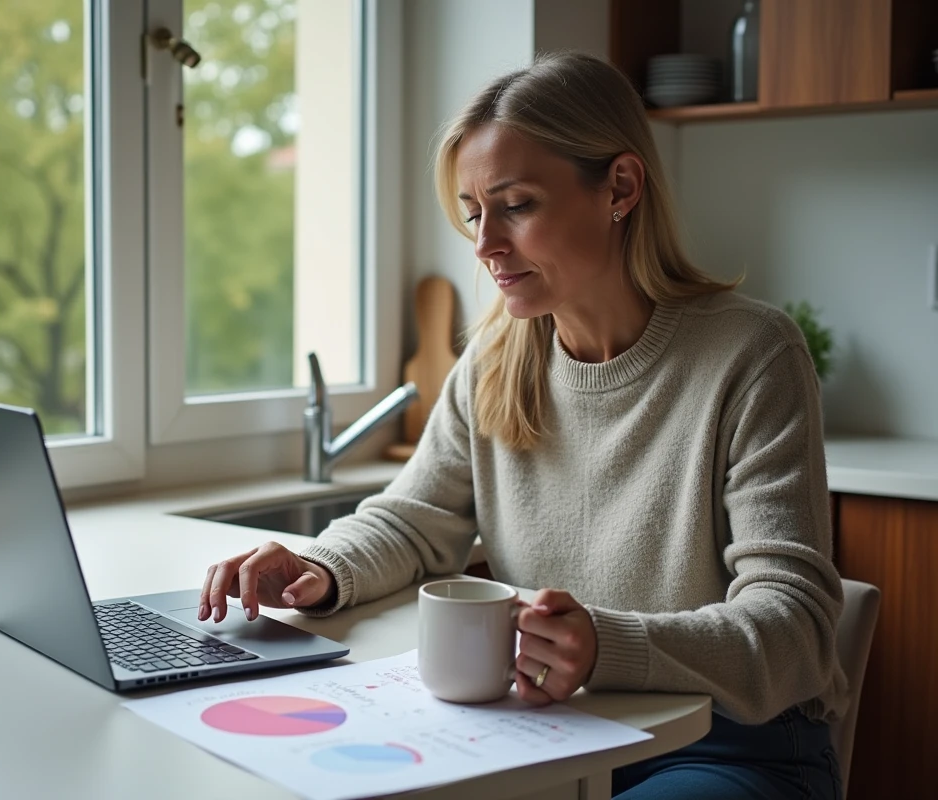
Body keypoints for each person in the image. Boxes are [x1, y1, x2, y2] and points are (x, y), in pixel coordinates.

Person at [198, 52, 846, 799]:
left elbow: (795, 628)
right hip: (547, 737)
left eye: (517, 205)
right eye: (475, 214)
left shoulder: (751, 354)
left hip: (726, 746)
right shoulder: (496, 359)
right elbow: (414, 522)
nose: (485, 246)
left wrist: (609, 645)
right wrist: (322, 568)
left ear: (621, 188)